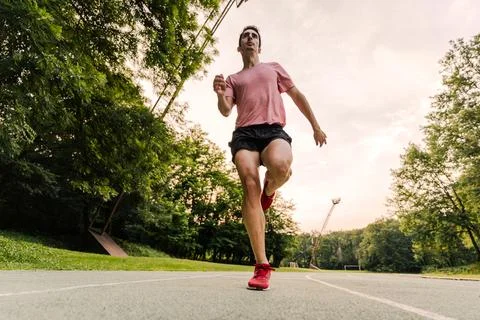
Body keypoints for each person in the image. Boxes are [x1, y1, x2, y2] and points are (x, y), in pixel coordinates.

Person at [212, 25, 327, 290]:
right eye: (245, 36)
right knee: (249, 184)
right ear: (239, 46)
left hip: (273, 130)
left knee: (280, 166)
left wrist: (316, 126)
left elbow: (297, 96)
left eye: (254, 36)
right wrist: (220, 95)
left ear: (259, 46)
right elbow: (226, 110)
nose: (250, 38)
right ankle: (262, 266)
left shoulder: (273, 68)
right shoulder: (233, 79)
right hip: (245, 135)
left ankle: (271, 187)